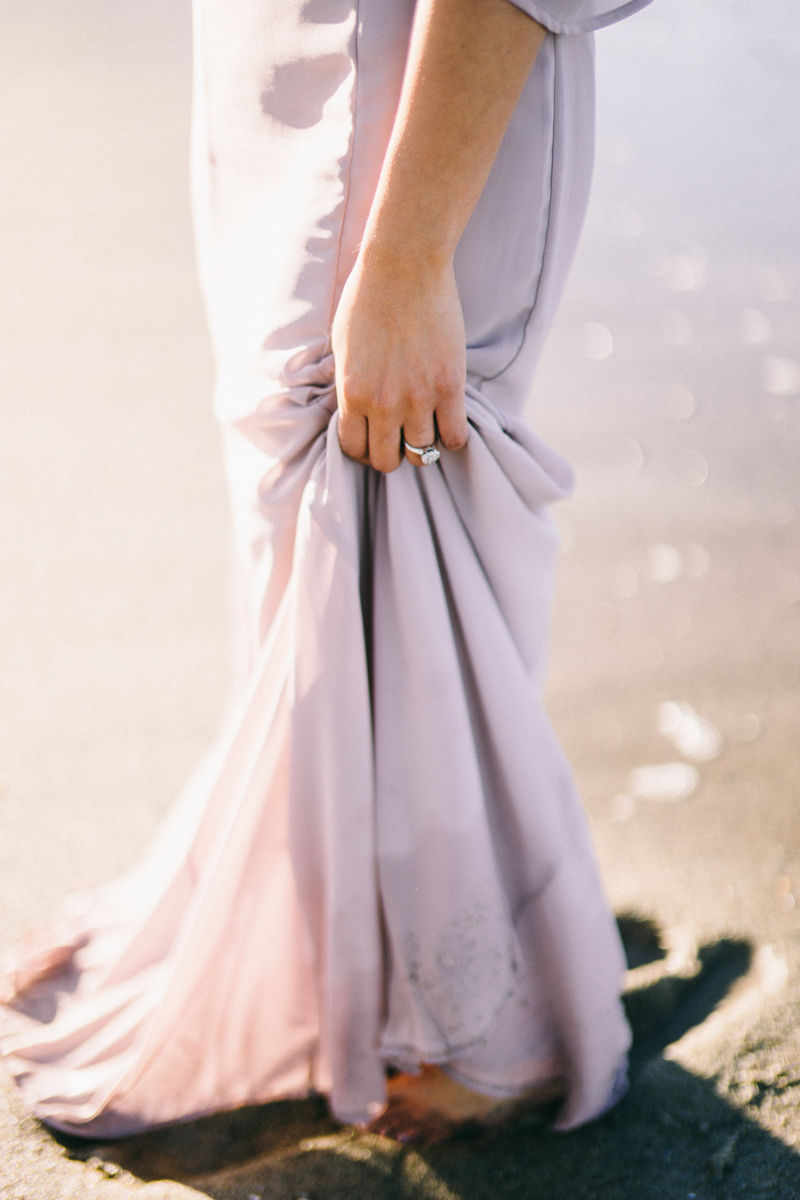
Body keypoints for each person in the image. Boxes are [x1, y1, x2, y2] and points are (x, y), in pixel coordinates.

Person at [1, 0, 653, 1147]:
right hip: (276, 65)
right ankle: (348, 956)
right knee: (304, 525)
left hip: (398, 86)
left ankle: (477, 1017)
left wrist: (409, 248)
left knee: (389, 507)